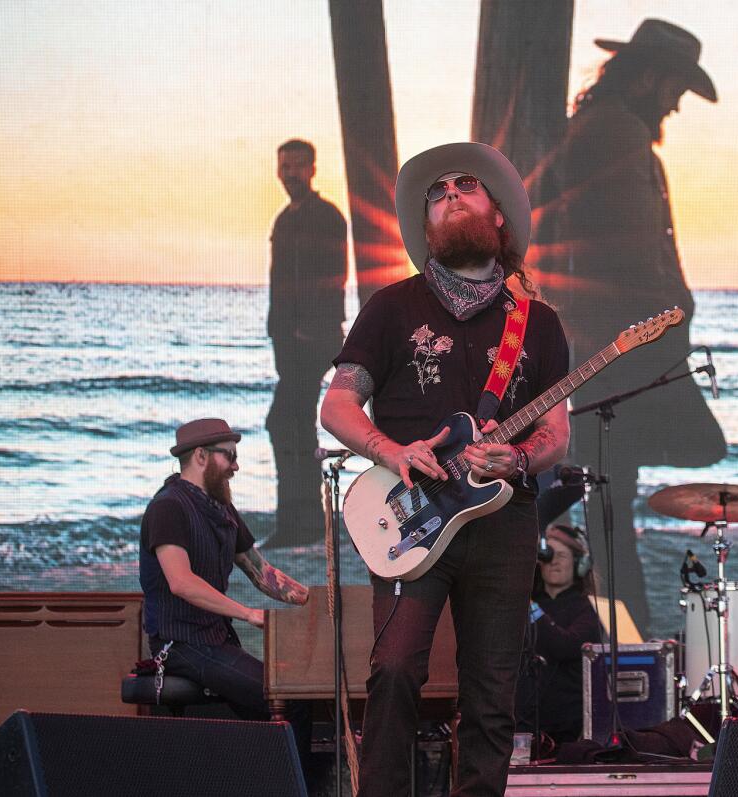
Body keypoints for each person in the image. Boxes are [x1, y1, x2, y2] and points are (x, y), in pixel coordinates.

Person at [320, 142, 570, 797]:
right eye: (438, 192)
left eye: (467, 185)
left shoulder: (538, 324)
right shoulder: (391, 307)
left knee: (493, 689)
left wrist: (516, 458)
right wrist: (391, 450)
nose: (451, 194)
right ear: (428, 226)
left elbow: (556, 434)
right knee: (396, 668)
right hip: (413, 517)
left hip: (503, 520)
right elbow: (337, 403)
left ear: (498, 219)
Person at [540, 19, 726, 630]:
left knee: (607, 507)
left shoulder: (607, 130)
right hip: (618, 352)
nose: (675, 104)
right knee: (610, 511)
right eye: (674, 88)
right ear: (648, 77)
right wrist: (670, 315)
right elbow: (629, 250)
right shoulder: (615, 134)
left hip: (608, 349)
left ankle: (621, 636)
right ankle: (625, 643)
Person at [138, 418, 311, 751]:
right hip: (181, 645)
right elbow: (181, 583)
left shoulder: (222, 507)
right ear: (201, 456)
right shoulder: (168, 507)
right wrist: (248, 614)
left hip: (214, 642)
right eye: (229, 456)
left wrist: (313, 600)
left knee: (291, 699)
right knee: (287, 702)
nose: (236, 465)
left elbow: (260, 571)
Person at [266, 138, 347, 547]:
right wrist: (278, 331)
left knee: (282, 421)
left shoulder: (326, 216)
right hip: (286, 340)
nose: (291, 174)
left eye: (298, 166)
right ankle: (307, 525)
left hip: (314, 339)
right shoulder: (284, 219)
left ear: (312, 169)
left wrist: (312, 328)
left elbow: (335, 275)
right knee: (294, 424)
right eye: (285, 167)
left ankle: (297, 524)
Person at [516, 525, 603, 753]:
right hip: (522, 721)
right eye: (548, 555)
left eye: (562, 555)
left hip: (567, 726)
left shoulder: (588, 608)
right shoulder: (526, 606)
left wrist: (532, 609)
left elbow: (565, 646)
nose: (554, 561)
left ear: (579, 564)